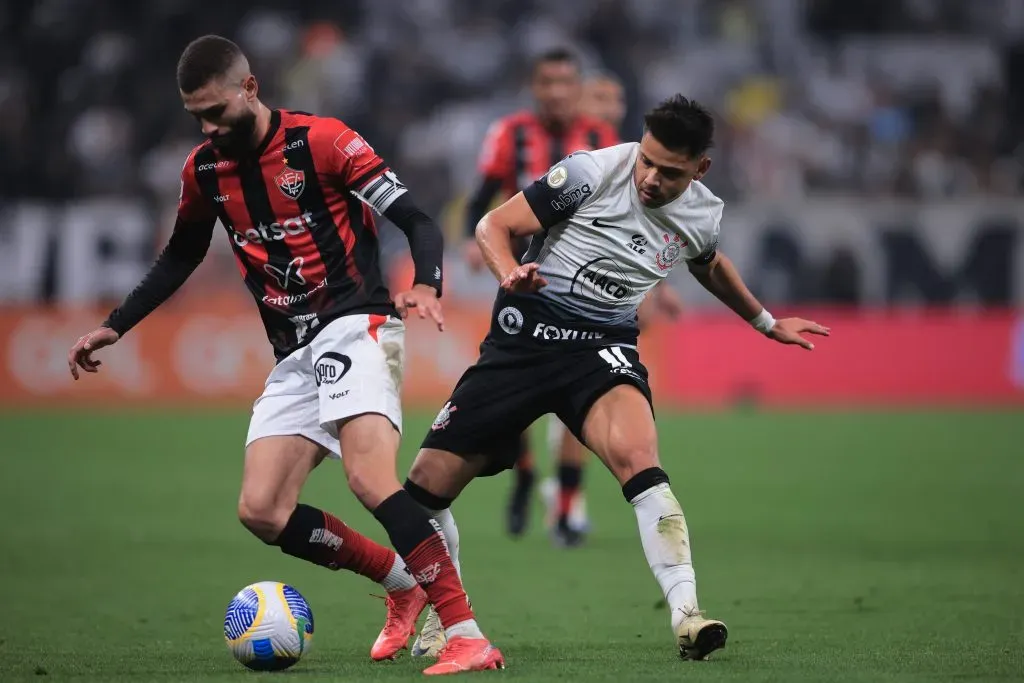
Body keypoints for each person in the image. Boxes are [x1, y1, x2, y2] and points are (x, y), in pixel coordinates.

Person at [66, 35, 503, 676]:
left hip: (358, 323)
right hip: (293, 350)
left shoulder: (322, 142)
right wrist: (118, 324)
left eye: (217, 111)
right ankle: (400, 582)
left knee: (368, 478)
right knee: (262, 511)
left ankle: (465, 632)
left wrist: (428, 283)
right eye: (197, 117)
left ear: (250, 88)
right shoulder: (204, 171)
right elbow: (181, 254)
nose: (209, 127)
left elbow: (417, 220)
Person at [405, 95, 830, 661]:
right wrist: (511, 276)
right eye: (647, 162)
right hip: (525, 342)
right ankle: (444, 614)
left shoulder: (702, 212)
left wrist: (765, 321)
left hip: (601, 351)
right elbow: (492, 225)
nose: (651, 178)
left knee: (640, 460)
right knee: (423, 490)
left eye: (671, 172)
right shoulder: (590, 172)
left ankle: (687, 615)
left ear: (700, 169)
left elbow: (709, 262)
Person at [460, 47, 618, 548]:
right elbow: (481, 195)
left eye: (565, 83)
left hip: (582, 282)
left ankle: (567, 509)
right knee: (512, 381)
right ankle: (525, 471)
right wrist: (472, 239)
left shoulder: (600, 138)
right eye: (546, 82)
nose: (556, 92)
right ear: (535, 86)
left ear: (577, 87)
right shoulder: (510, 132)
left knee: (579, 382)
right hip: (520, 275)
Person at [539, 71, 686, 536]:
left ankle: (566, 505)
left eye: (618, 96)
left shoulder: (628, 153)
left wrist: (657, 288)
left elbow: (637, 230)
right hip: (542, 281)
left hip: (594, 292)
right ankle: (541, 488)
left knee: (579, 407)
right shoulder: (564, 147)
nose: (612, 105)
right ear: (581, 98)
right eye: (602, 95)